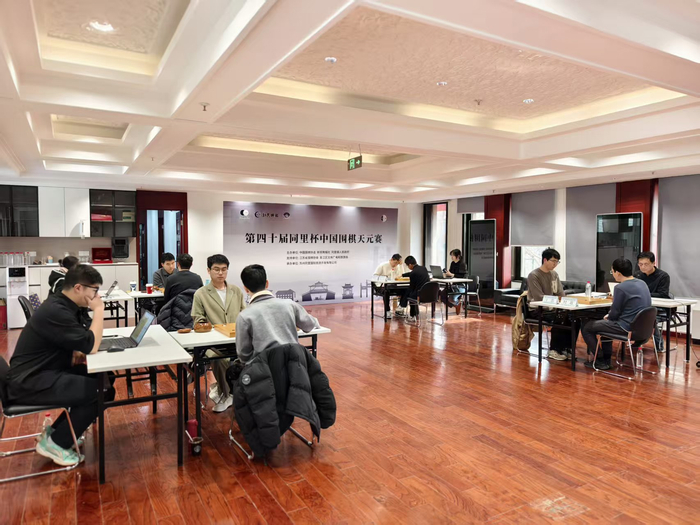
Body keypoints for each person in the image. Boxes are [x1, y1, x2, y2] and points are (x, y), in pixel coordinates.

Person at [7, 265, 114, 467]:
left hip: (41, 372)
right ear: (78, 288)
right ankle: (56, 444)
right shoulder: (57, 310)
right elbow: (90, 345)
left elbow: (79, 340)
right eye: (94, 290)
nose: (96, 296)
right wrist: (99, 310)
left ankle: (57, 433)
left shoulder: (62, 304)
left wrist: (76, 352)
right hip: (30, 382)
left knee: (104, 377)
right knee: (101, 390)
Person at [191, 254, 246, 412]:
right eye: (216, 269)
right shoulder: (201, 293)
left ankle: (244, 392)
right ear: (208, 271)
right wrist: (212, 328)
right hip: (212, 342)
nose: (220, 273)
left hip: (236, 338)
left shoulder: (236, 290)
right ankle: (227, 394)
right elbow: (198, 319)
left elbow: (244, 314)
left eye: (224, 269)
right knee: (219, 359)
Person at [236, 264, 319, 363]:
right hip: (295, 366)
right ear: (267, 283)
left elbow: (243, 354)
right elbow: (309, 325)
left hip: (264, 368)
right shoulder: (290, 305)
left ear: (245, 289)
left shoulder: (244, 316)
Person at [582, 257, 651, 370]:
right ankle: (606, 359)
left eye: (612, 271)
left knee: (587, 327)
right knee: (605, 325)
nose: (613, 274)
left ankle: (600, 359)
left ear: (617, 273)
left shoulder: (620, 287)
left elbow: (615, 313)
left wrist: (609, 316)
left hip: (626, 327)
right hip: (642, 329)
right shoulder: (642, 283)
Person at [527, 248, 578, 361]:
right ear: (545, 260)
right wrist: (556, 301)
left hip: (553, 308)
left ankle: (568, 348)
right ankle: (554, 349)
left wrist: (563, 301)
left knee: (575, 318)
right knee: (560, 317)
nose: (555, 264)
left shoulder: (554, 274)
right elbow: (539, 297)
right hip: (537, 309)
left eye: (557, 261)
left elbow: (561, 293)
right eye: (553, 261)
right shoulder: (534, 275)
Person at [635, 251, 671, 352]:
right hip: (641, 305)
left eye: (646, 264)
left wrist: (644, 294)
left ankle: (658, 344)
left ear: (653, 263)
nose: (642, 267)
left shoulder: (663, 276)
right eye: (640, 264)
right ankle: (637, 339)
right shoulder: (637, 275)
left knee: (649, 317)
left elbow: (663, 295)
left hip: (658, 307)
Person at [373, 253, 408, 318]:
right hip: (381, 286)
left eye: (398, 263)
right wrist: (384, 280)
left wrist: (401, 265)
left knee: (406, 290)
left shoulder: (398, 266)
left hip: (392, 286)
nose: (396, 265)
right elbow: (375, 276)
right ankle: (387, 311)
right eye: (395, 263)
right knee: (386, 291)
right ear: (391, 259)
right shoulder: (383, 265)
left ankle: (400, 307)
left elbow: (402, 275)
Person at [396, 256, 430, 320]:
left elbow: (412, 287)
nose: (408, 267)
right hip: (428, 294)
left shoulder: (413, 273)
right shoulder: (423, 268)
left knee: (407, 292)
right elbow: (412, 273)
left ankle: (410, 313)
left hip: (418, 295)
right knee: (408, 291)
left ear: (410, 265)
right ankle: (402, 306)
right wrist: (402, 275)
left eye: (407, 266)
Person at [442, 248, 468, 314]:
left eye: (453, 255)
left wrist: (451, 275)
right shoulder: (452, 263)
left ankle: (456, 304)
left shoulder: (462, 264)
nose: (451, 257)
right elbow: (450, 273)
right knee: (442, 295)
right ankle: (456, 305)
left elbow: (462, 276)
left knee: (452, 299)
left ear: (458, 256)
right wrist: (446, 274)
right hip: (453, 285)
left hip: (461, 286)